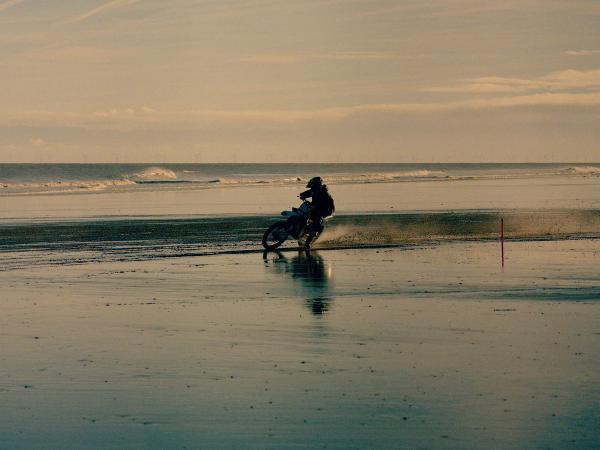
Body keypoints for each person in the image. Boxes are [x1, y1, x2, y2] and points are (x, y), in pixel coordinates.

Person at [299, 176, 335, 248]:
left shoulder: (323, 193)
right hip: (317, 208)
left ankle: (308, 243)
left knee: (316, 224)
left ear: (317, 184)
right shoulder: (315, 190)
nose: (312, 187)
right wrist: (302, 195)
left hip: (326, 210)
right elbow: (308, 193)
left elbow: (323, 204)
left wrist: (315, 206)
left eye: (313, 184)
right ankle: (304, 230)